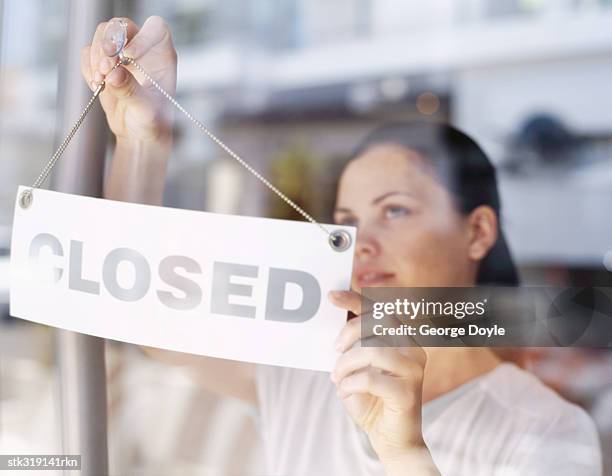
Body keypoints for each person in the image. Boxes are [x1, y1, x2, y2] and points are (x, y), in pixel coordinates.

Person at [81, 16, 602, 476]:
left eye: (395, 210)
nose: (362, 244)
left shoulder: (548, 431)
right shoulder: (307, 372)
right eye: (347, 221)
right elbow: (144, 317)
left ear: (479, 232)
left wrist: (406, 454)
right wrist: (141, 141)